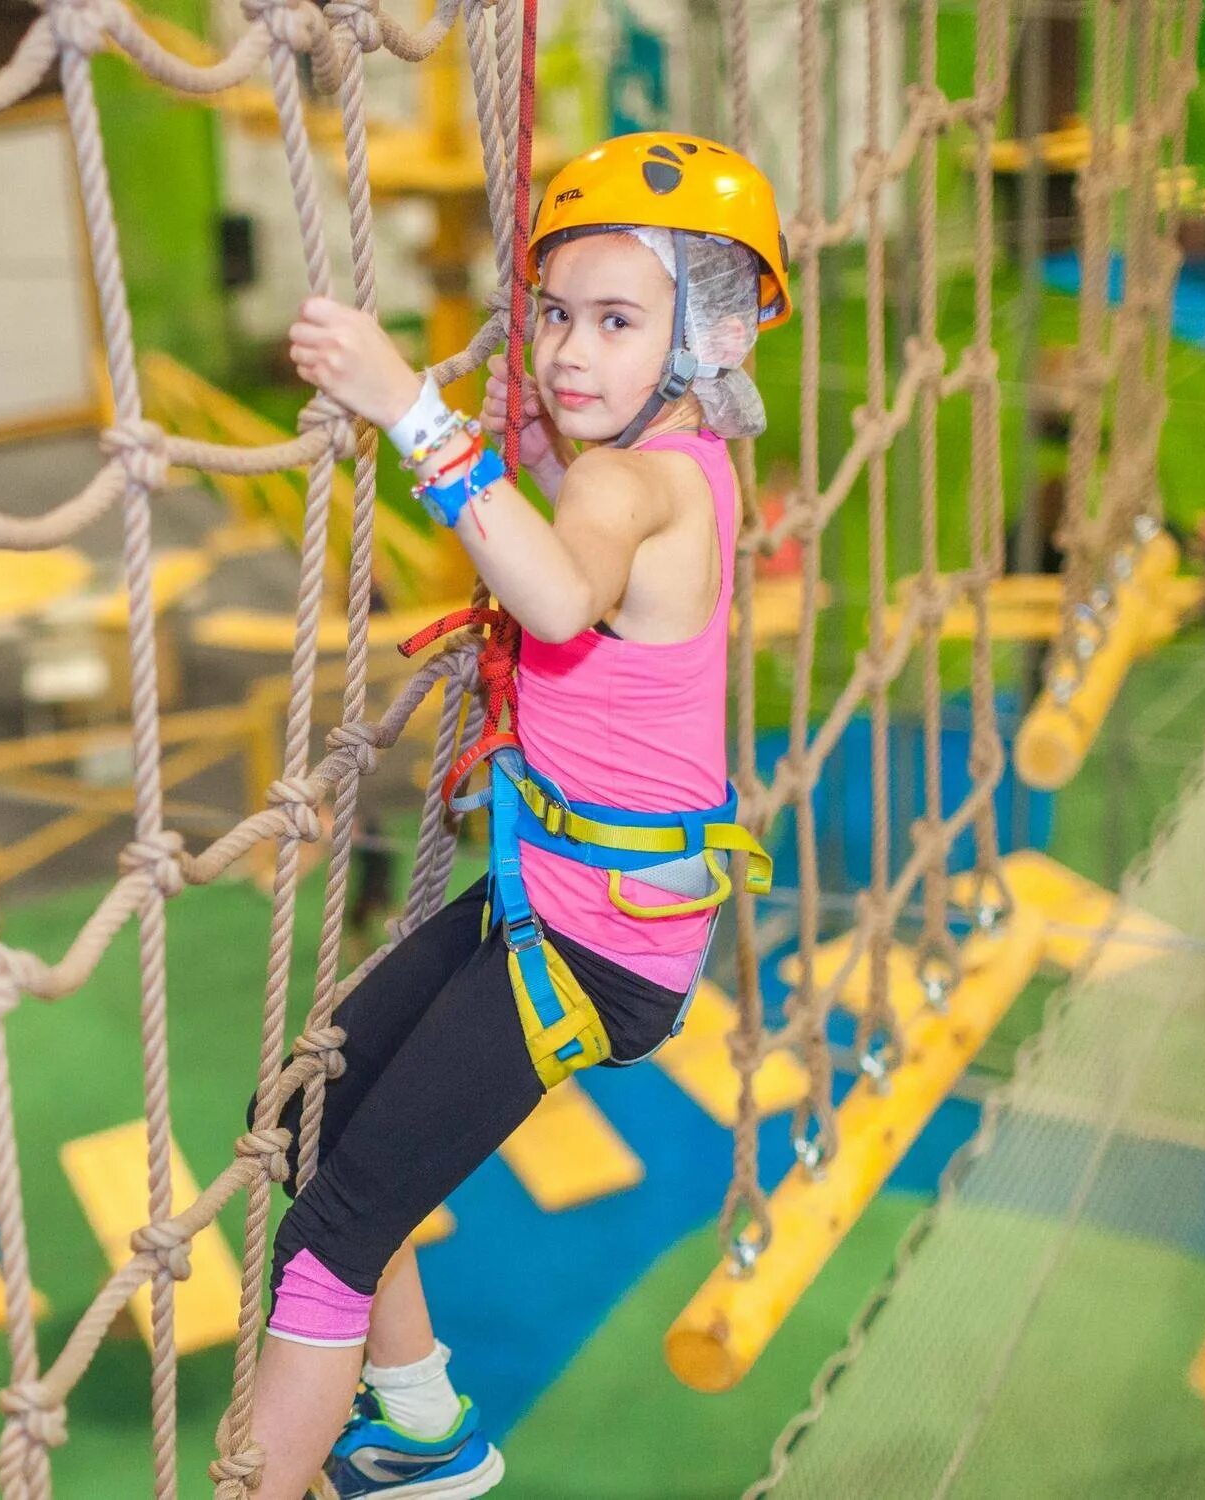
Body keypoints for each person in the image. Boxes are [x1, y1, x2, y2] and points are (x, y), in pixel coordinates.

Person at [242, 133, 787, 1499]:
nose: (567, 352)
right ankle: (422, 1428)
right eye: (556, 314)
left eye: (615, 321)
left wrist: (405, 408)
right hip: (548, 900)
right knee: (298, 1118)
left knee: (326, 1236)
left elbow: (554, 598)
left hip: (595, 945)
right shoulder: (675, 449)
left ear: (705, 336)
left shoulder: (629, 479)